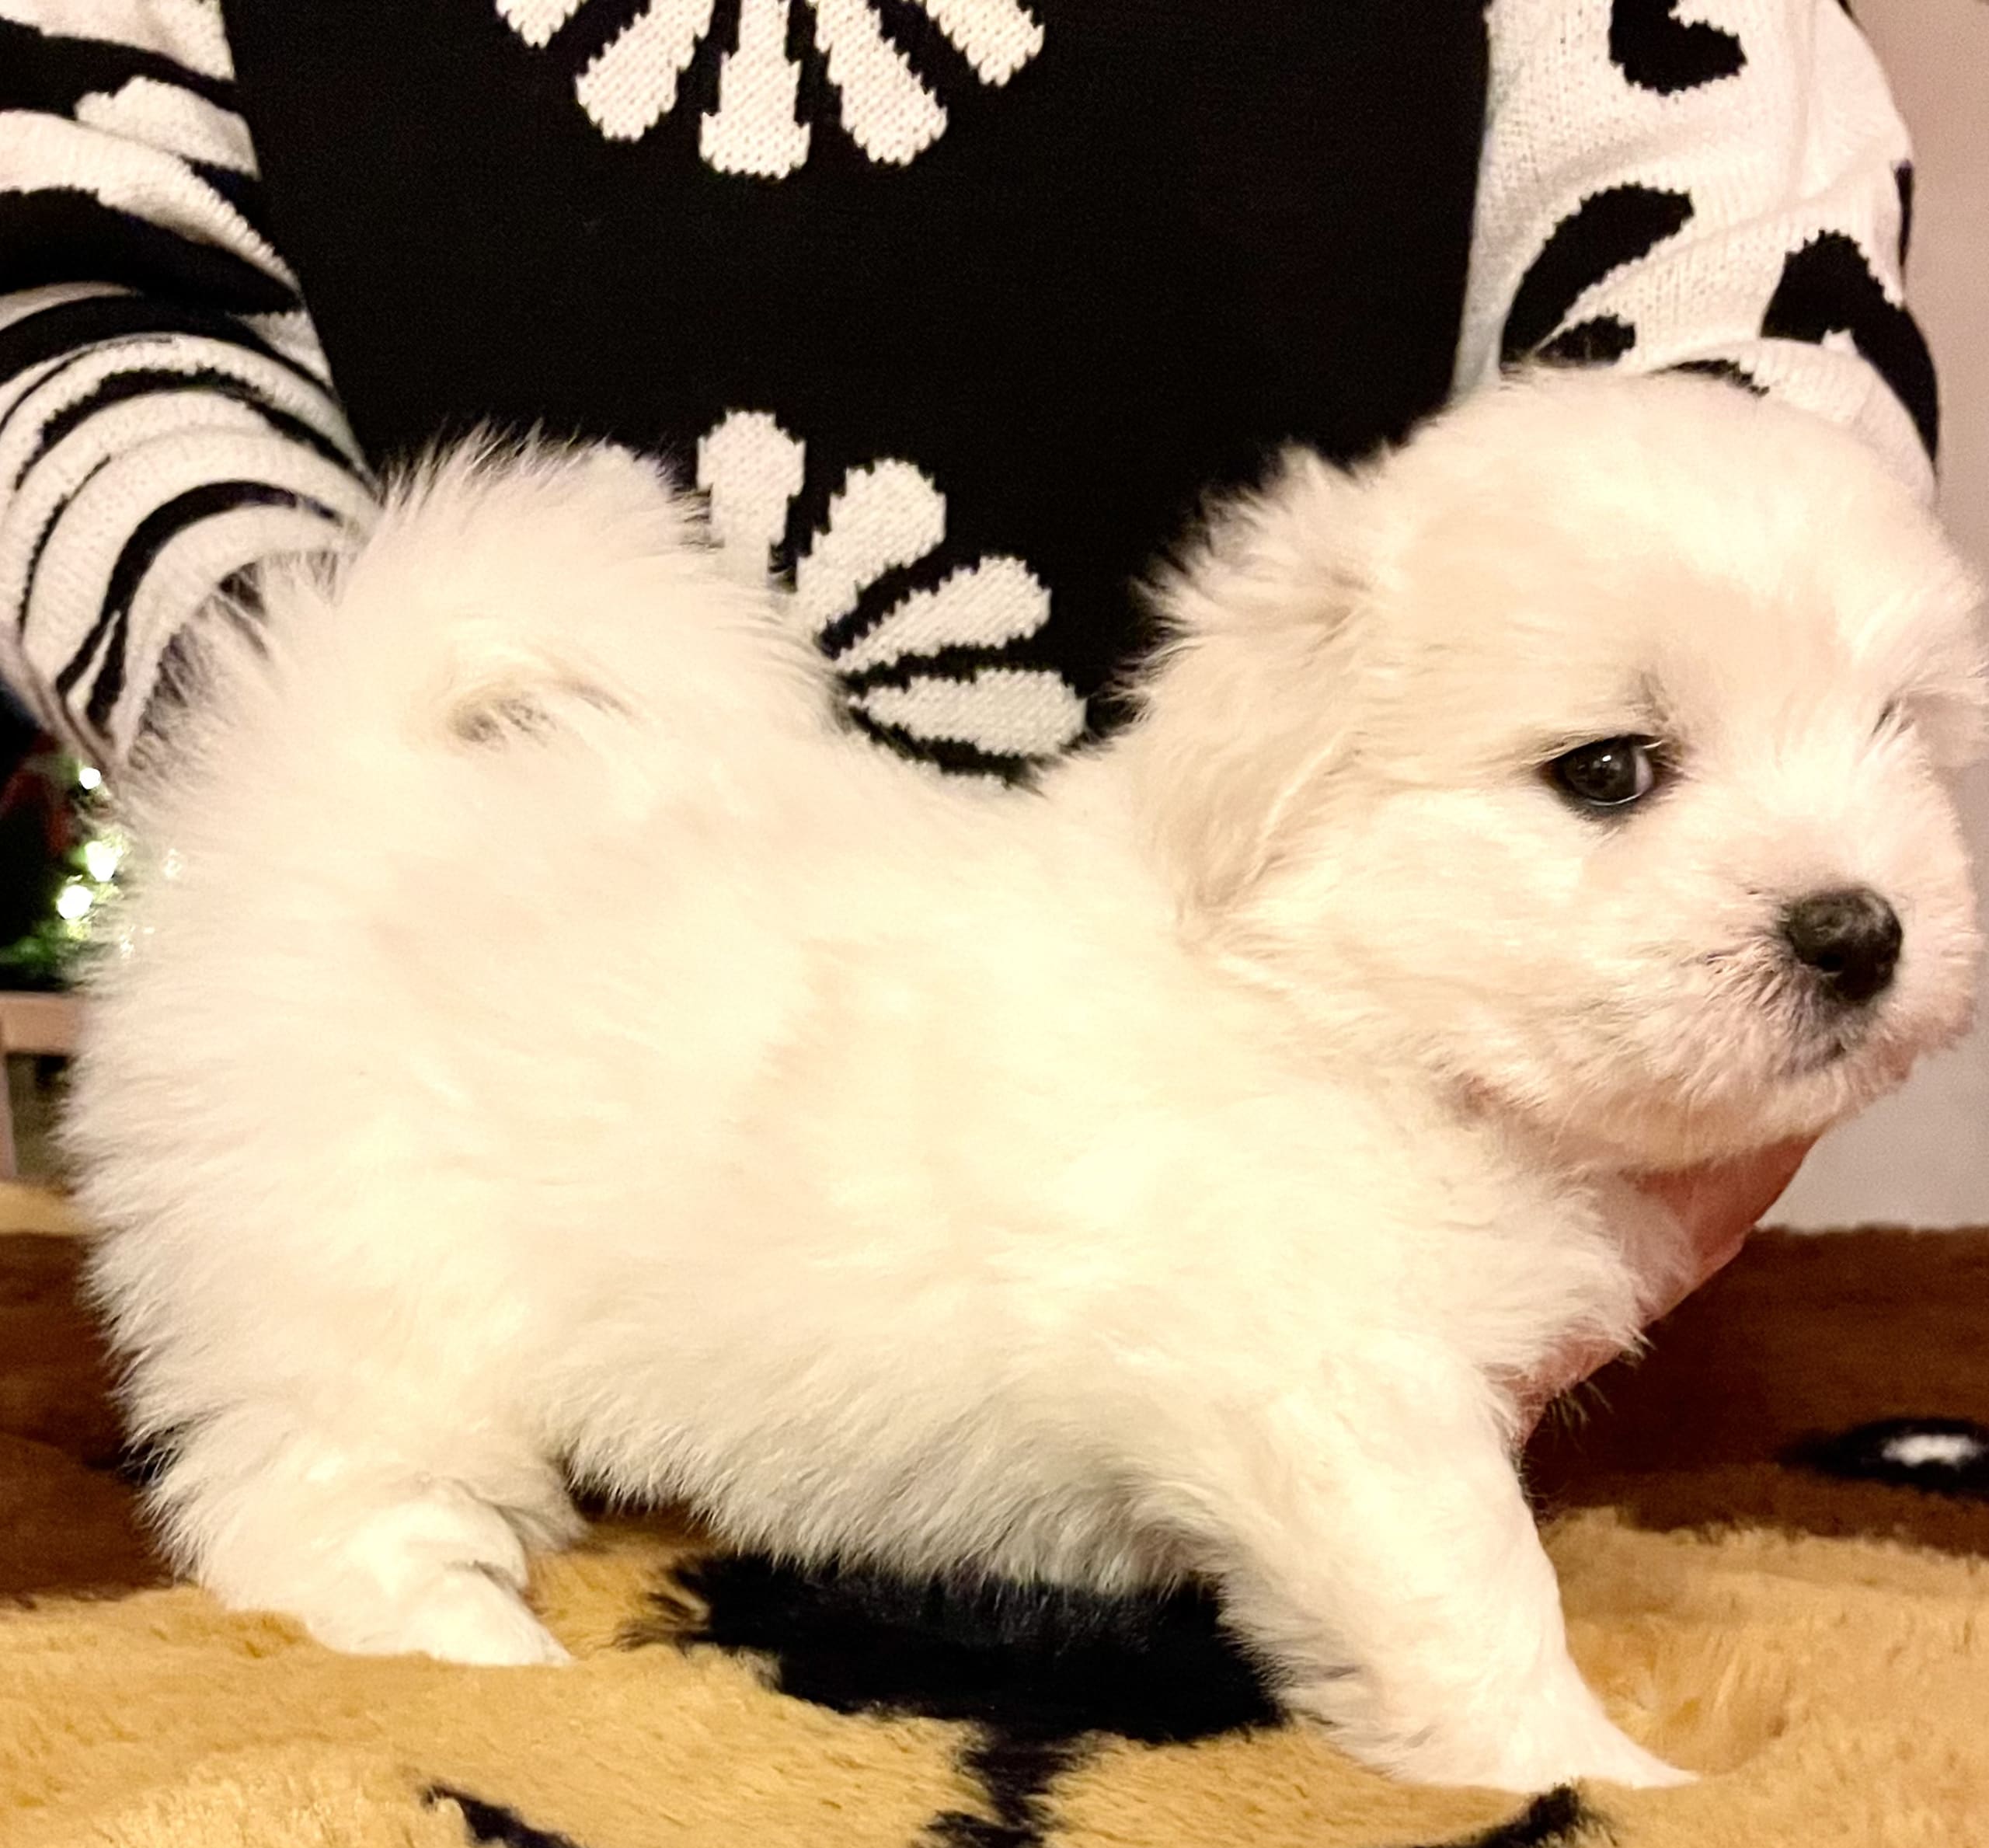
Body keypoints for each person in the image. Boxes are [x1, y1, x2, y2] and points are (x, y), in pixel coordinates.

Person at [0, 0, 1937, 1423]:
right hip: (483, 1051)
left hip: (1444, 1216)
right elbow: (68, 287)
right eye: (1616, 766)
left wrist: (1736, 718)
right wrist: (329, 804)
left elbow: (1727, 241)